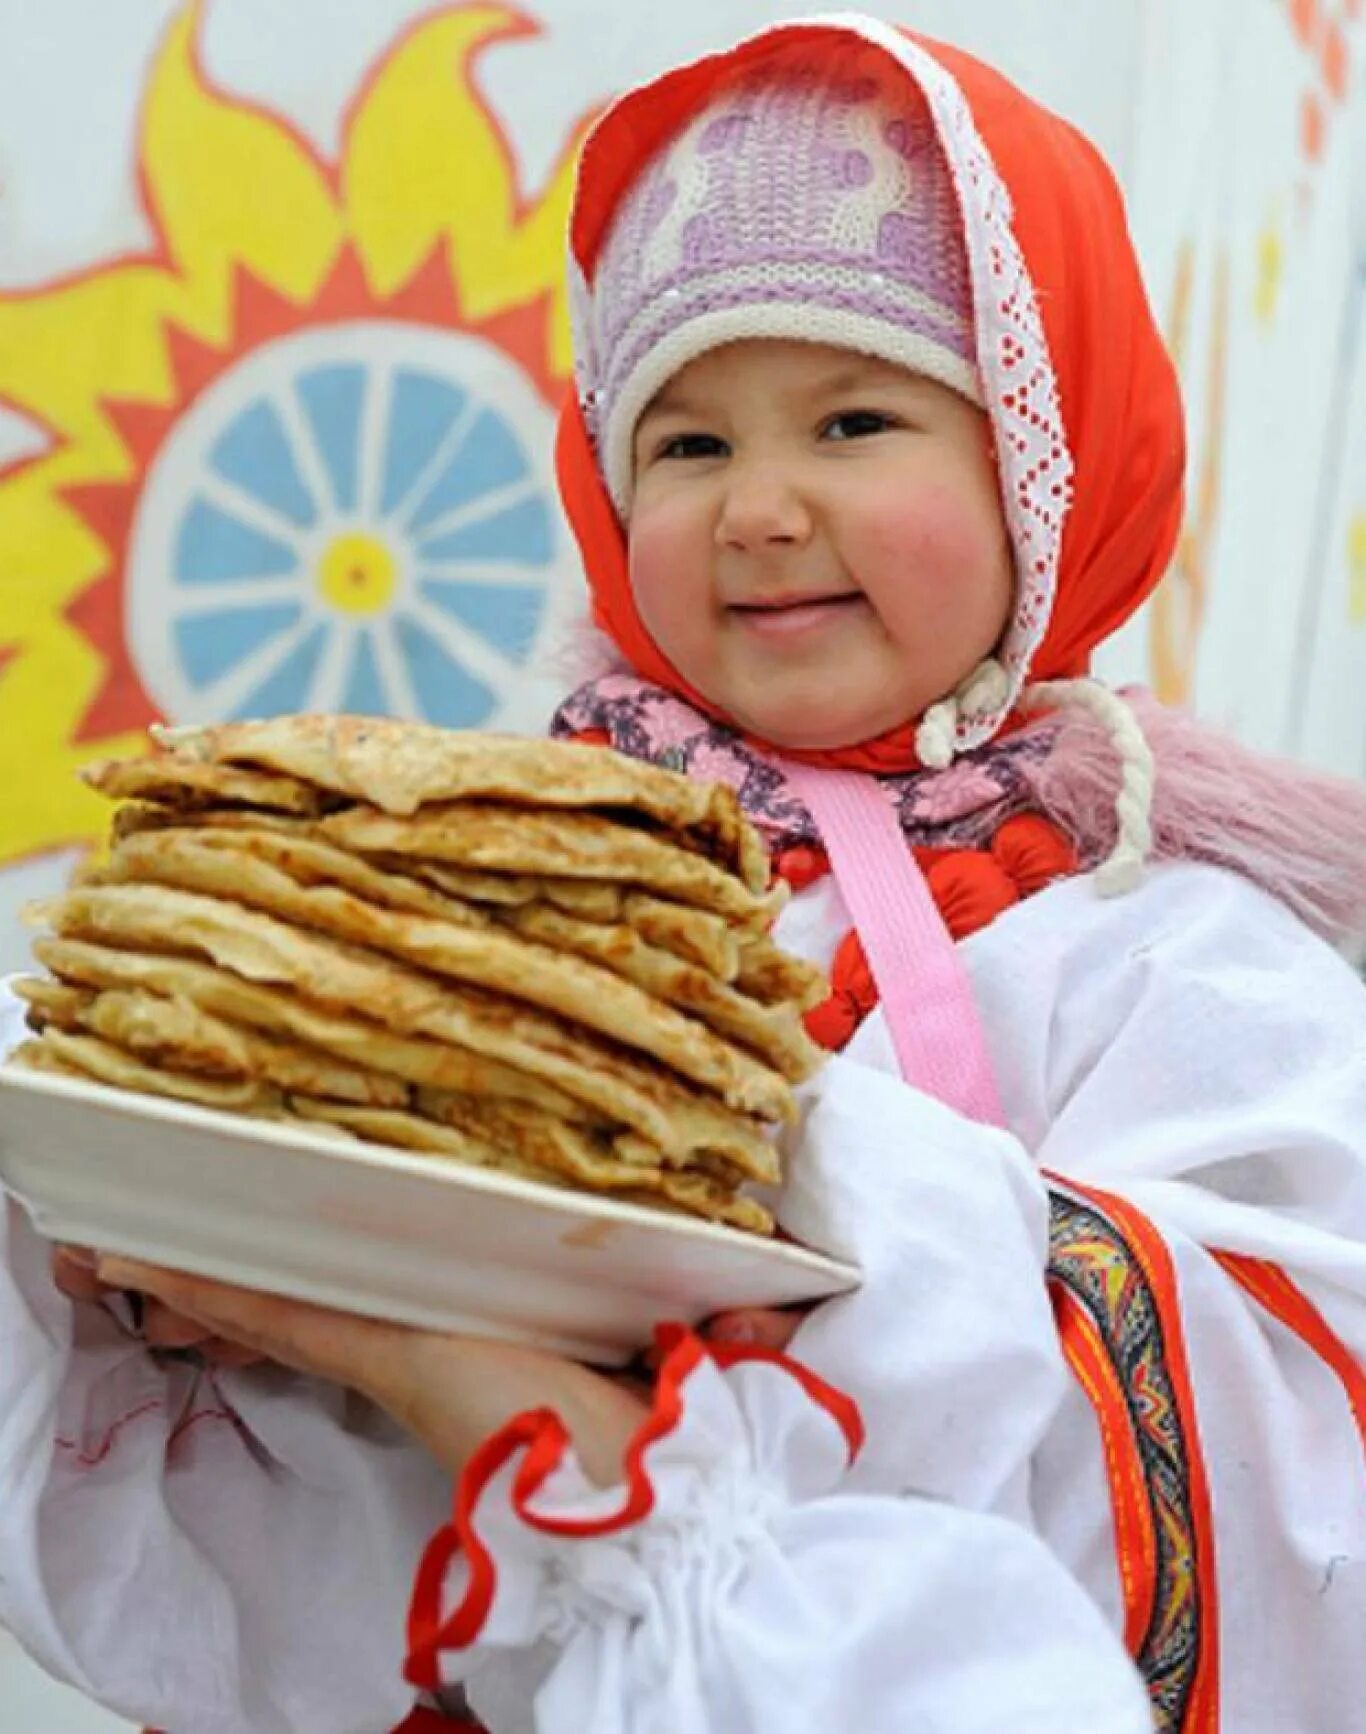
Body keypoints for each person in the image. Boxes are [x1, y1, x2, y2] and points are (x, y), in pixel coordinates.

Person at [3, 14, 1366, 1732]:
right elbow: (322, 1518)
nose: (761, 510)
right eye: (689, 445)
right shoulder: (512, 895)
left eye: (856, 418)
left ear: (1047, 466)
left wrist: (755, 1154)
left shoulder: (1179, 957)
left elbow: (1282, 1471)